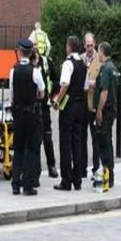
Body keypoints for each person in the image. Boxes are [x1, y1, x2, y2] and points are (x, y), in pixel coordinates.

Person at [10, 39, 45, 195]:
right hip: (31, 113)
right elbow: (42, 93)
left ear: (19, 51)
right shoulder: (35, 71)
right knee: (31, 148)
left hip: (17, 113)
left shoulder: (13, 70)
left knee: (17, 148)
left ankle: (15, 183)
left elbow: (12, 93)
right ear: (31, 52)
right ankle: (28, 184)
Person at [52, 36, 87, 191]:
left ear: (69, 47)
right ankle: (77, 179)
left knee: (65, 143)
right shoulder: (83, 64)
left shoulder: (68, 63)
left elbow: (65, 84)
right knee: (77, 142)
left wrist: (57, 101)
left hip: (69, 106)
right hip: (81, 105)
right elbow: (85, 86)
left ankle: (66, 180)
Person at [93, 42, 119, 189]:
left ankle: (107, 175)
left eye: (98, 51)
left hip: (106, 110)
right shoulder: (113, 67)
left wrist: (99, 110)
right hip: (112, 109)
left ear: (102, 52)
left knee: (104, 143)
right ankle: (110, 175)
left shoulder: (105, 69)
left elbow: (104, 91)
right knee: (108, 141)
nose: (98, 54)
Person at [36, 49, 59, 179]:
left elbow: (56, 81)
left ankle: (51, 165)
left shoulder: (47, 63)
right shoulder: (28, 62)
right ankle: (35, 168)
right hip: (32, 106)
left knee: (47, 136)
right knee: (34, 139)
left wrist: (54, 97)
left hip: (44, 105)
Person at [83, 33, 101, 179]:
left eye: (91, 45)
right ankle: (82, 168)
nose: (90, 48)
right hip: (82, 105)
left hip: (94, 105)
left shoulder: (99, 60)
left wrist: (94, 84)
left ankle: (96, 168)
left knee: (96, 139)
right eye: (87, 45)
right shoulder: (81, 59)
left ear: (95, 44)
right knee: (82, 138)